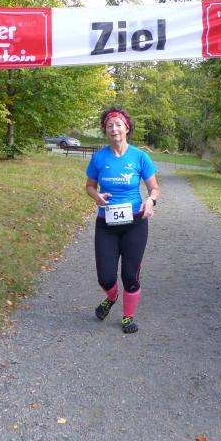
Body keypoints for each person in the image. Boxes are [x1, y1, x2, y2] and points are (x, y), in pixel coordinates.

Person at [85, 106, 160, 334]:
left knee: (130, 275)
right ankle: (112, 297)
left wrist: (150, 201)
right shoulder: (99, 158)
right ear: (105, 130)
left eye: (118, 124)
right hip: (106, 224)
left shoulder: (140, 157)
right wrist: (96, 196)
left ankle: (128, 317)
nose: (114, 129)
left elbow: (154, 188)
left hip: (135, 224)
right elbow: (89, 186)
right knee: (105, 277)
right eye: (109, 125)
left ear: (127, 128)